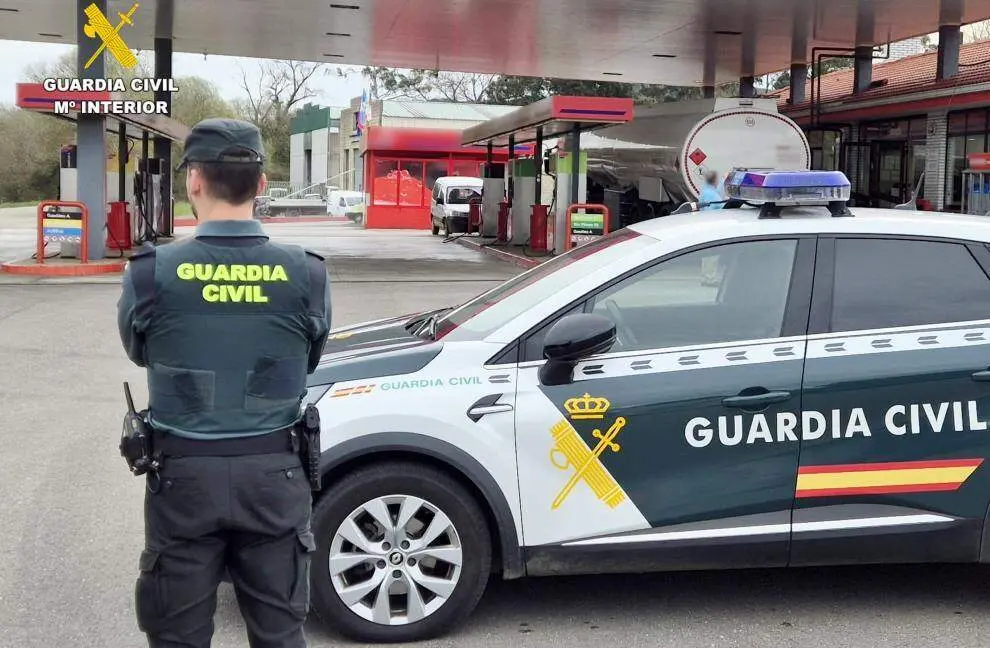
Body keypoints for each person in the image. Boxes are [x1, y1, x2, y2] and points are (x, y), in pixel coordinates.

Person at [117, 117, 332, 648]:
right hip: (274, 481)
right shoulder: (306, 273)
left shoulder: (149, 272)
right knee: (281, 635)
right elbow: (308, 359)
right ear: (261, 186)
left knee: (176, 638)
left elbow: (139, 351)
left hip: (183, 480)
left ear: (193, 180)